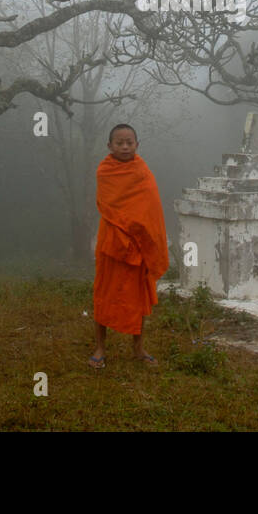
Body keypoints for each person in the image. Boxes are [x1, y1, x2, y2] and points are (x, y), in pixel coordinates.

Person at [89, 123, 168, 368]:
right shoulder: (105, 171)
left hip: (138, 243)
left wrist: (144, 237)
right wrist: (130, 226)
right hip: (113, 242)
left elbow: (150, 209)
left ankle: (139, 348)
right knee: (105, 293)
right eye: (119, 142)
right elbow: (109, 205)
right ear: (109, 146)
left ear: (137, 144)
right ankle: (100, 348)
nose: (124, 146)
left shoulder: (142, 172)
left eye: (129, 142)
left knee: (137, 295)